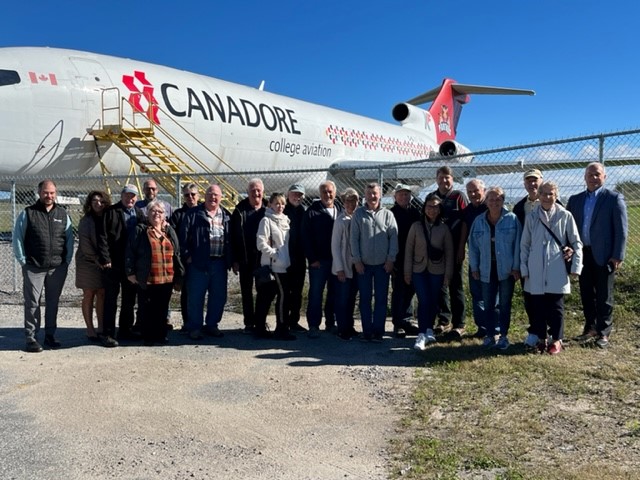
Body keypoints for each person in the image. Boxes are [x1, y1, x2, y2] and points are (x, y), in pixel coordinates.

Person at [567, 162, 628, 348]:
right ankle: (590, 327)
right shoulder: (575, 200)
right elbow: (569, 229)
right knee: (586, 293)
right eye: (590, 174)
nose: (593, 177)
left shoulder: (613, 198)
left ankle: (603, 332)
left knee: (604, 295)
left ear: (604, 177)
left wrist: (617, 255)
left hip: (604, 255)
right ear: (584, 177)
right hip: (582, 253)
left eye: (597, 174)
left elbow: (621, 230)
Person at [520, 181, 582, 355]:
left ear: (556, 195)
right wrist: (524, 269)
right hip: (536, 268)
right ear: (538, 195)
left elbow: (576, 242)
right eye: (544, 193)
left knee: (556, 307)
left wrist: (576, 266)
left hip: (557, 266)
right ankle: (541, 338)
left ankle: (557, 339)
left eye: (551, 194)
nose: (547, 197)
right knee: (537, 306)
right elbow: (525, 244)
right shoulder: (532, 217)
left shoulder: (565, 215)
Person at [12, 179, 74, 353]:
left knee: (53, 303)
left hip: (57, 268)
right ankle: (31, 338)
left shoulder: (62, 214)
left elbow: (69, 239)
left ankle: (50, 336)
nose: (49, 196)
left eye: (52, 193)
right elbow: (17, 238)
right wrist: (23, 261)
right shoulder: (28, 213)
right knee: (32, 303)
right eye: (46, 192)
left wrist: (66, 260)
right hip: (34, 267)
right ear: (39, 193)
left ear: (56, 193)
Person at [468, 187, 521, 351]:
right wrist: (474, 267)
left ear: (503, 201)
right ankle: (490, 334)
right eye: (491, 199)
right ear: (486, 201)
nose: (494, 202)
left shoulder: (512, 219)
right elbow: (473, 247)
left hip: (506, 270)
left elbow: (518, 245)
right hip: (486, 268)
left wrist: (516, 267)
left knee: (504, 304)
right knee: (488, 303)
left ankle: (503, 335)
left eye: (498, 199)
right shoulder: (479, 221)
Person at [126, 200, 184, 346]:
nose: (156, 214)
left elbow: (176, 252)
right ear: (147, 213)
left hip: (166, 276)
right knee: (147, 308)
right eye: (153, 211)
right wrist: (130, 271)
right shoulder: (141, 230)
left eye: (160, 211)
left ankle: (161, 334)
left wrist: (179, 274)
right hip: (148, 276)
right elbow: (130, 252)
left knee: (162, 307)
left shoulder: (168, 230)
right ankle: (148, 336)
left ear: (164, 215)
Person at [180, 184, 233, 340]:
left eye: (216, 195)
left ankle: (212, 325)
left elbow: (231, 239)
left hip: (219, 263)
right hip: (198, 263)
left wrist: (231, 260)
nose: (213, 197)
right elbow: (182, 238)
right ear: (205, 196)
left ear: (221, 197)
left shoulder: (226, 215)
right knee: (196, 297)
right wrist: (188, 257)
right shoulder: (193, 214)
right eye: (210, 194)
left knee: (218, 296)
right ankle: (194, 327)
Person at [97, 184, 145, 347]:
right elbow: (102, 236)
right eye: (127, 195)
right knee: (111, 299)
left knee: (129, 299)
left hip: (130, 265)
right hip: (113, 263)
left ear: (136, 198)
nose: (130, 199)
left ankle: (125, 329)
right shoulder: (111, 212)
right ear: (122, 196)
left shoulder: (139, 213)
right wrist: (105, 258)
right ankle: (108, 333)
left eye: (133, 196)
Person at [404, 193, 454, 351]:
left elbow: (449, 253)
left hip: (437, 269)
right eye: (429, 206)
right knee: (423, 300)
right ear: (424, 208)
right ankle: (421, 333)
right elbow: (408, 250)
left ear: (440, 209)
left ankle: (429, 330)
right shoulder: (416, 226)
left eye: (436, 206)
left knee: (433, 300)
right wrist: (407, 271)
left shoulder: (444, 228)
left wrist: (448, 274)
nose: (432, 210)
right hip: (419, 269)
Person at [351, 182, 398, 342]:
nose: (372, 196)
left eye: (375, 193)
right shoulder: (358, 214)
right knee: (364, 299)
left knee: (381, 299)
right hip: (363, 265)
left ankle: (378, 331)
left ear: (380, 195)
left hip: (382, 266)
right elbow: (354, 239)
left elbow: (393, 237)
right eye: (369, 193)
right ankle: (367, 331)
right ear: (365, 195)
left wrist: (391, 259)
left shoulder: (388, 215)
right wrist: (356, 260)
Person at [302, 180, 342, 338]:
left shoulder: (339, 210)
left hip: (336, 261)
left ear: (335, 193)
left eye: (330, 191)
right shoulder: (311, 212)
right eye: (324, 192)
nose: (328, 194)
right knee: (316, 293)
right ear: (320, 194)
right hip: (318, 262)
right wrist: (312, 259)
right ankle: (313, 325)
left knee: (334, 293)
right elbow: (305, 237)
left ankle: (330, 323)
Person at [431, 166, 468, 338]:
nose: (444, 181)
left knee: (456, 286)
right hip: (438, 250)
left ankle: (459, 323)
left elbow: (464, 223)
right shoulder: (432, 197)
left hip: (455, 249)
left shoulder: (459, 196)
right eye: (441, 177)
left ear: (452, 179)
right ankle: (443, 320)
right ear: (436, 179)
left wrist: (461, 247)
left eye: (447, 177)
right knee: (440, 286)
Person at [254, 192, 295, 340]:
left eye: (283, 203)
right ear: (270, 204)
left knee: (271, 297)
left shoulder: (285, 220)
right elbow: (260, 243)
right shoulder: (266, 221)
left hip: (284, 266)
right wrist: (274, 254)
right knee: (281, 297)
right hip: (273, 266)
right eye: (277, 203)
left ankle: (263, 327)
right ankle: (280, 329)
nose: (280, 206)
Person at [512, 168, 544, 349]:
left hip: (548, 260)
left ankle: (548, 332)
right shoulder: (518, 207)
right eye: (529, 181)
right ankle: (534, 331)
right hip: (527, 260)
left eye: (536, 180)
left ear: (542, 181)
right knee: (529, 296)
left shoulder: (554, 203)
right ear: (524, 184)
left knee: (549, 297)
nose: (532, 184)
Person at [231, 178, 267, 334]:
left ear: (263, 192)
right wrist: (234, 259)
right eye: (253, 190)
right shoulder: (239, 210)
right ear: (248, 192)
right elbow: (231, 236)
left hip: (263, 259)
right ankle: (248, 323)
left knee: (263, 291)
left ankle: (260, 321)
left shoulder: (268, 208)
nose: (256, 193)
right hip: (245, 258)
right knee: (246, 292)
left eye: (258, 190)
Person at [76, 190, 111, 342]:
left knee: (102, 293)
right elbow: (85, 244)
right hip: (88, 262)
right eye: (95, 201)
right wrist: (99, 260)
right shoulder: (86, 221)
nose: (98, 204)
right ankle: (90, 329)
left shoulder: (107, 217)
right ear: (90, 203)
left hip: (103, 261)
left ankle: (101, 327)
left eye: (102, 201)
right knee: (89, 293)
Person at [459, 178, 490, 338]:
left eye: (476, 190)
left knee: (492, 293)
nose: (473, 194)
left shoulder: (491, 206)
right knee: (477, 293)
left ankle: (494, 328)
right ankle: (482, 328)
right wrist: (461, 250)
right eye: (469, 192)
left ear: (483, 190)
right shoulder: (468, 210)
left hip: (492, 257)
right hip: (475, 257)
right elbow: (464, 229)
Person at [390, 184, 421, 338]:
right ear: (395, 197)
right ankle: (397, 323)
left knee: (410, 290)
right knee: (399, 291)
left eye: (407, 194)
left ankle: (407, 320)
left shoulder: (415, 212)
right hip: (397, 258)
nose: (404, 197)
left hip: (414, 258)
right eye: (400, 194)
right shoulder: (391, 213)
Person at [170, 183, 200, 331]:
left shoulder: (204, 212)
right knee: (186, 292)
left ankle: (199, 322)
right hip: (185, 261)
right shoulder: (178, 215)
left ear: (198, 195)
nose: (190, 197)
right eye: (187, 195)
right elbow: (174, 239)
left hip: (201, 260)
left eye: (193, 194)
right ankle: (187, 322)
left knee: (200, 292)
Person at [331, 188, 360, 340]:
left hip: (357, 266)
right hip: (344, 267)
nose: (351, 204)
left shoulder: (359, 218)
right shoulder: (340, 221)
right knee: (342, 299)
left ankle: (350, 325)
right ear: (343, 203)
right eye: (348, 201)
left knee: (351, 299)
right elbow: (335, 246)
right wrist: (339, 268)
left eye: (354, 200)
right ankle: (342, 328)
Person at [283, 183, 307, 332]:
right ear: (288, 194)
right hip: (285, 257)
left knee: (297, 291)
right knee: (285, 291)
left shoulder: (303, 212)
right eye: (294, 194)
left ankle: (294, 320)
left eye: (299, 195)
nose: (297, 197)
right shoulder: (283, 210)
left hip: (299, 257)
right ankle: (284, 320)